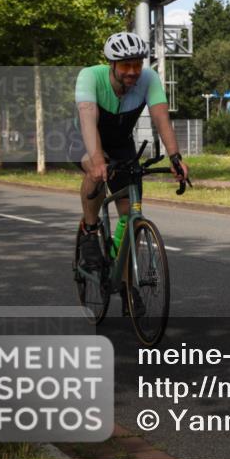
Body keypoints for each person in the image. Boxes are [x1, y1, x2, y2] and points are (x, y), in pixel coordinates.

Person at [73, 32, 190, 314]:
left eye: (137, 64)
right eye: (126, 65)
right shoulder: (90, 76)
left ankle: (126, 285)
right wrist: (99, 160)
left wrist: (176, 158)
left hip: (122, 144)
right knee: (95, 170)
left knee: (130, 214)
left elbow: (162, 118)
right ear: (111, 64)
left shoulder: (148, 79)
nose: (132, 72)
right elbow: (88, 119)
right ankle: (90, 232)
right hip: (86, 137)